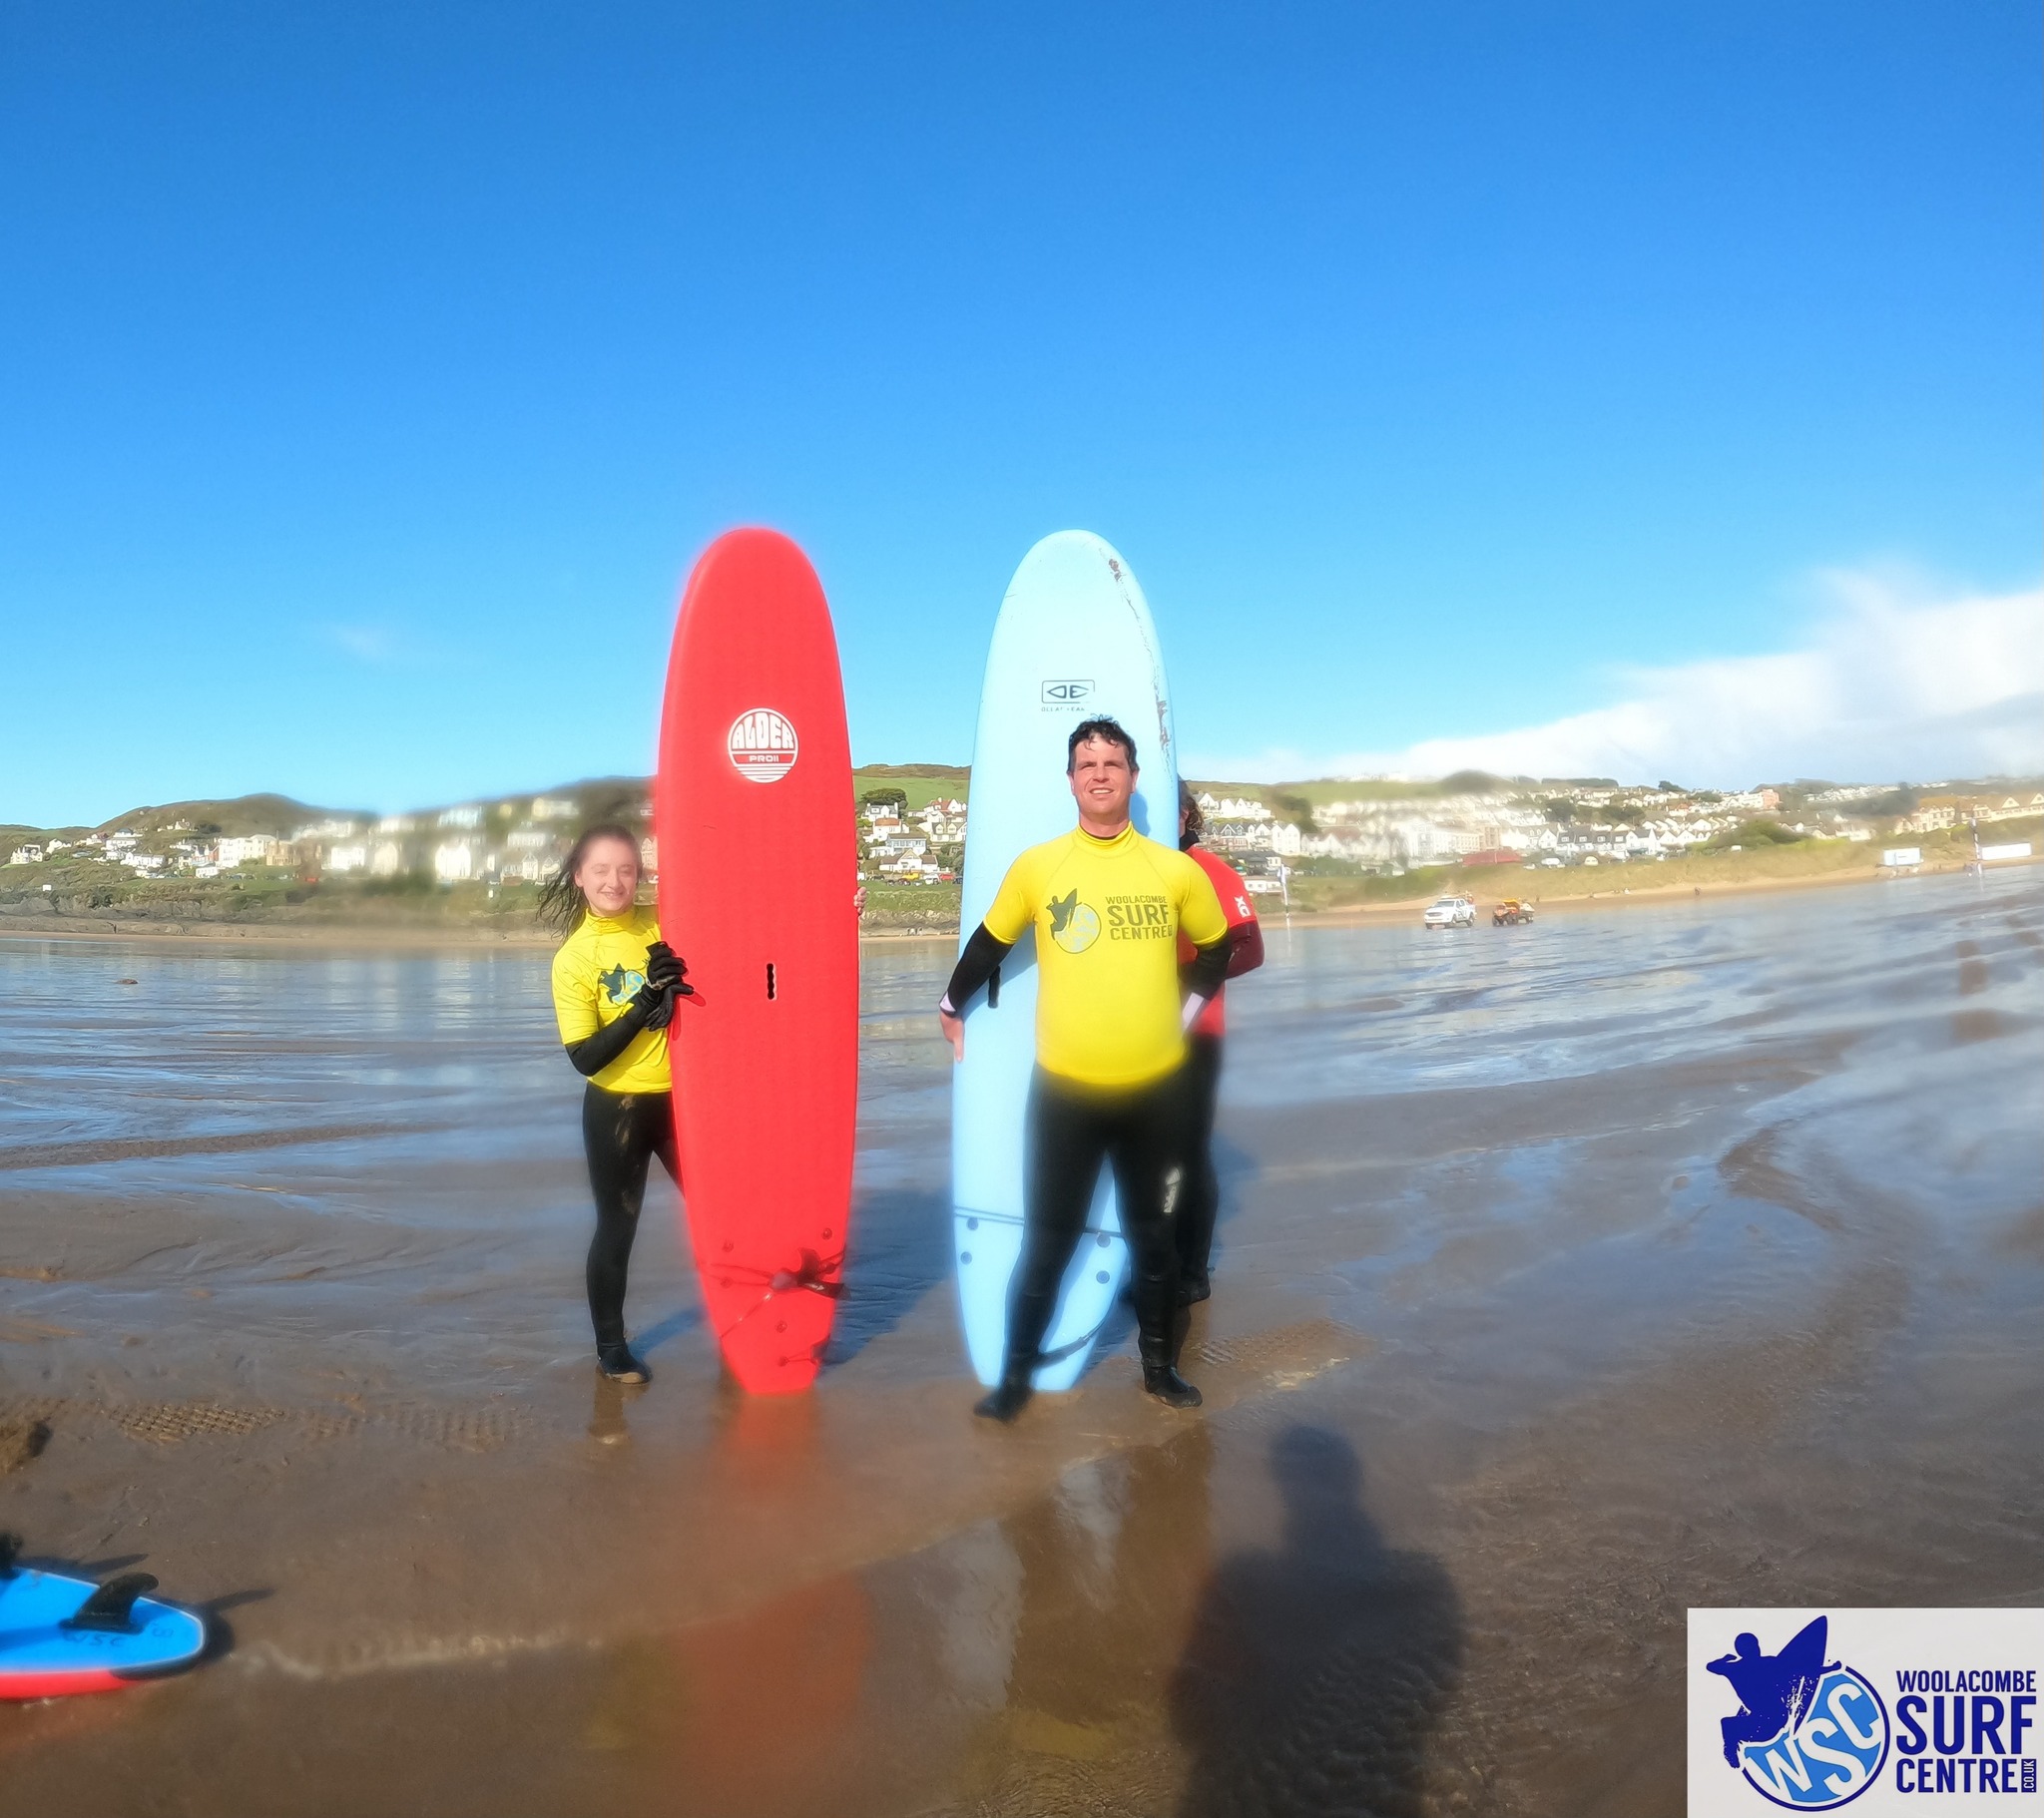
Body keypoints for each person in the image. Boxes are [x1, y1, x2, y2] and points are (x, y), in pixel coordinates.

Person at [938, 716, 1232, 1422]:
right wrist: (952, 1002)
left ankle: (1159, 1372)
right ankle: (1012, 1381)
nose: (1100, 773)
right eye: (1086, 763)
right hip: (1066, 1096)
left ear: (1134, 777)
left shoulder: (1175, 870)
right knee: (1048, 1243)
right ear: (1070, 779)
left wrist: (1183, 1018)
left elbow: (1217, 949)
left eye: (1113, 762)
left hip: (1156, 1093)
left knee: (1155, 1243)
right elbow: (991, 942)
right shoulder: (1041, 867)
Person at [539, 824, 689, 1385]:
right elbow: (585, 1057)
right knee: (617, 1227)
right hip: (617, 1108)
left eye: (626, 869)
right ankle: (611, 1348)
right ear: (579, 878)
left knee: (718, 1211)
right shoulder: (574, 960)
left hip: (685, 1103)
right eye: (600, 870)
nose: (614, 880)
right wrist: (645, 1001)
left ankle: (743, 1315)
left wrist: (843, 907)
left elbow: (745, 922)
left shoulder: (663, 923)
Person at [1174, 782, 1265, 1317]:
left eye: (1173, 807)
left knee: (1187, 1154)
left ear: (1187, 815)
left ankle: (1193, 1274)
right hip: (1138, 1036)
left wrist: (1188, 978)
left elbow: (1251, 950)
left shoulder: (1212, 870)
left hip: (1198, 1033)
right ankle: (1154, 1266)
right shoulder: (1140, 867)